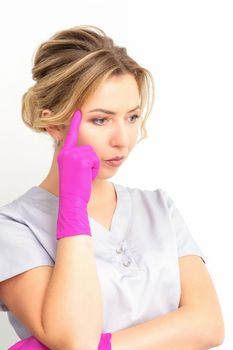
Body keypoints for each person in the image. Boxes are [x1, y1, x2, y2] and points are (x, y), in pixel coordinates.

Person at [0, 25, 224, 350]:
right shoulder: (13, 227)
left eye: (131, 118)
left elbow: (209, 325)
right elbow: (74, 338)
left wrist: (103, 346)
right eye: (101, 120)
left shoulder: (159, 208)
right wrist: (74, 209)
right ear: (53, 124)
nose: (123, 140)